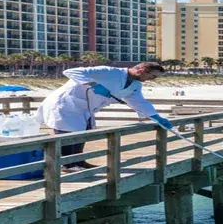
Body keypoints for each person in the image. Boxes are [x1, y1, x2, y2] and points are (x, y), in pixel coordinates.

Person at [37, 62, 172, 173]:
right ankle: (66, 165)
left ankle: (78, 161)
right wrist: (94, 85)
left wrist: (156, 117)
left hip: (85, 108)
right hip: (65, 103)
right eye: (153, 76)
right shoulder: (110, 71)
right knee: (67, 133)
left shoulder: (135, 85)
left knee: (84, 131)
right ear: (141, 69)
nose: (152, 79)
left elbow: (139, 102)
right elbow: (72, 71)